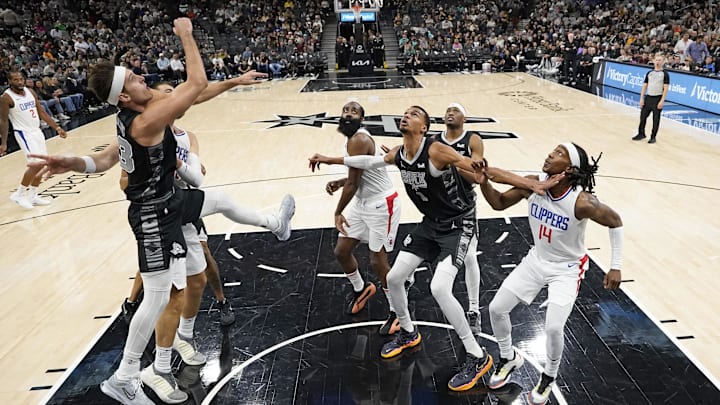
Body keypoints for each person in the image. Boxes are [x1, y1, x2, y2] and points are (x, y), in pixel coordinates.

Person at [29, 19, 293, 405]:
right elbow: (196, 84)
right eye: (133, 78)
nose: (140, 76)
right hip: (153, 215)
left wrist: (71, 161)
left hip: (171, 201)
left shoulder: (141, 108)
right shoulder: (146, 121)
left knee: (219, 203)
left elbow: (105, 158)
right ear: (124, 97)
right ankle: (125, 375)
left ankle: (275, 223)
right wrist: (186, 34)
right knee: (157, 296)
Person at [308, 105, 558, 392]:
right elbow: (367, 162)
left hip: (458, 225)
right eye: (404, 113)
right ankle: (408, 333)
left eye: (414, 114)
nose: (405, 115)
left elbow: (484, 171)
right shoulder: (399, 154)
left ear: (424, 128)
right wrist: (330, 163)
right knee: (393, 278)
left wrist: (529, 183)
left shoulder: (436, 151)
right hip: (431, 225)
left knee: (440, 287)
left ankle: (477, 356)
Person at [479, 143, 623, 405]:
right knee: (496, 308)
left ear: (569, 169)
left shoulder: (582, 202)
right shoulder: (534, 184)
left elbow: (616, 221)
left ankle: (549, 376)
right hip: (537, 259)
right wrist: (483, 183)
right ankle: (508, 357)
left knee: (553, 327)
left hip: (566, 268)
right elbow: (498, 204)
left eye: (558, 154)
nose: (549, 155)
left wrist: (616, 265)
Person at [322, 101, 402, 335]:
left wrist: (337, 212)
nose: (347, 114)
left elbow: (354, 182)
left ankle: (397, 311)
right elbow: (356, 174)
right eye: (345, 110)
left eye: (353, 112)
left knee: (378, 261)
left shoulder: (359, 139)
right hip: (363, 201)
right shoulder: (351, 139)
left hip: (381, 203)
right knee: (342, 251)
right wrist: (340, 182)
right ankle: (361, 289)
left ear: (361, 120)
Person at [433, 103, 483, 334]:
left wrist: (450, 163)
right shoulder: (434, 140)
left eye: (455, 110)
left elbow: (476, 175)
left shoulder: (473, 139)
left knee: (470, 256)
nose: (450, 112)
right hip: (439, 206)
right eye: (447, 110)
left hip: (464, 206)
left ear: (465, 117)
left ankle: (474, 310)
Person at [0, 70, 68, 209]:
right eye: (15, 79)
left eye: (21, 79)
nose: (19, 82)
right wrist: (4, 142)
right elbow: (3, 120)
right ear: (9, 81)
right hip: (24, 133)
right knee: (35, 164)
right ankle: (19, 194)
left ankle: (33, 195)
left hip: (37, 131)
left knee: (43, 164)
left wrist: (57, 127)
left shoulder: (30, 92)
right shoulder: (6, 98)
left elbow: (41, 112)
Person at [632, 53, 669, 144]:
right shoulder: (650, 73)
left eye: (660, 60)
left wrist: (662, 100)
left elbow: (666, 88)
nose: (658, 62)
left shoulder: (665, 74)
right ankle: (641, 133)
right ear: (653, 61)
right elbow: (645, 86)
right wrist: (641, 98)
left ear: (663, 62)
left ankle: (653, 136)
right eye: (656, 60)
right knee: (643, 117)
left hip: (657, 98)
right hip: (648, 97)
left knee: (656, 119)